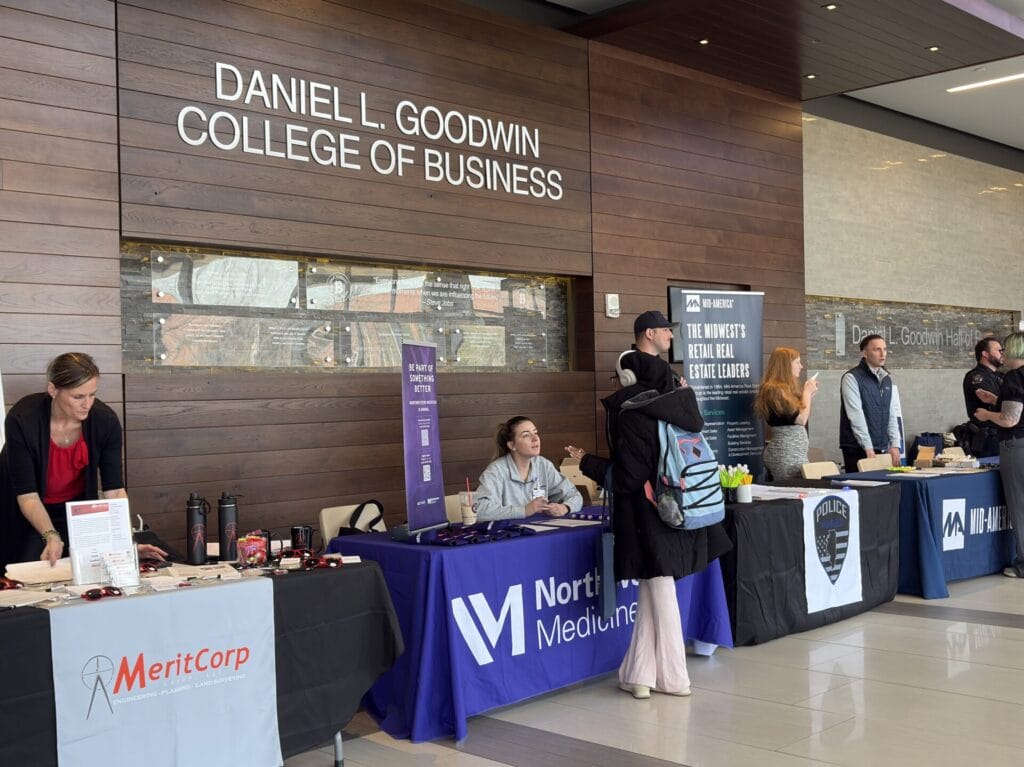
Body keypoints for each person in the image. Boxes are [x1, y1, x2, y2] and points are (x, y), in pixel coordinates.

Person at [0, 352, 166, 567]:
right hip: (26, 510)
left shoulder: (105, 421)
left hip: (75, 510)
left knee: (89, 566)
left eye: (92, 395)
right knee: (28, 568)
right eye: (78, 397)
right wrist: (51, 535)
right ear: (53, 390)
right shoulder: (22, 419)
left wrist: (126, 543)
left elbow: (115, 490)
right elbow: (28, 496)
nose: (87, 404)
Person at [972, 332, 1024, 577]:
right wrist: (996, 399)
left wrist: (986, 414)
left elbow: (1010, 419)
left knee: (1019, 505)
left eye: (1004, 350)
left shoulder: (1014, 377)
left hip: (1017, 446)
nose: (1002, 354)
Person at [474, 416, 583, 521]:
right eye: (526, 435)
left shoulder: (543, 465)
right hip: (509, 532)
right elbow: (479, 510)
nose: (535, 438)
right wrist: (524, 511)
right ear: (512, 445)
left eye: (535, 433)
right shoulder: (496, 470)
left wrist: (565, 507)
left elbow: (574, 495)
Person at [753, 347, 819, 480]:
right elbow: (801, 419)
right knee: (794, 489)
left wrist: (808, 395)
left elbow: (796, 413)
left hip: (792, 452)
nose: (801, 366)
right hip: (786, 453)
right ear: (786, 365)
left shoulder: (785, 390)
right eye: (797, 362)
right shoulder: (775, 390)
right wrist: (806, 392)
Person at [839, 334, 902, 471]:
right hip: (857, 448)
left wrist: (894, 444)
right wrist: (867, 446)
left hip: (881, 446)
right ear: (865, 353)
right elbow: (856, 415)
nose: (882, 354)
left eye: (884, 349)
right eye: (877, 349)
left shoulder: (886, 379)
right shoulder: (851, 378)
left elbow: (891, 413)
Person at [962, 336, 1004, 458]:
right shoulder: (977, 377)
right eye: (999, 350)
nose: (1002, 354)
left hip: (1001, 434)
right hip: (987, 438)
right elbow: (998, 400)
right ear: (985, 354)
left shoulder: (1001, 376)